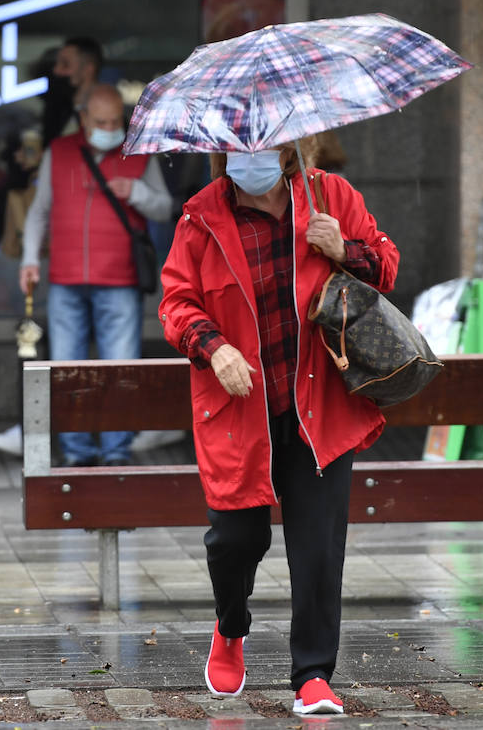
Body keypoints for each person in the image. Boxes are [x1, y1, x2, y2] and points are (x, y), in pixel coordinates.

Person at [158, 140, 399, 715]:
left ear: (288, 145)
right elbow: (175, 302)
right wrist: (213, 349)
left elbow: (387, 267)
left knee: (319, 547)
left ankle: (313, 674)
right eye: (237, 146)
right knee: (237, 540)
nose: (251, 155)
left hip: (319, 408)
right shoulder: (202, 216)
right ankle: (230, 624)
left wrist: (344, 248)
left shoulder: (330, 195)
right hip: (242, 414)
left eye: (262, 143)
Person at [18, 83, 173, 465]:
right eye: (100, 121)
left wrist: (136, 191)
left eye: (115, 120)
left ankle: (116, 451)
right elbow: (39, 209)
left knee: (120, 368)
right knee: (68, 368)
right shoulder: (60, 152)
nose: (109, 127)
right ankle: (77, 452)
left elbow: (165, 206)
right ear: (84, 119)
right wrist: (29, 259)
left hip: (119, 280)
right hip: (66, 279)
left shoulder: (138, 150)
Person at [41, 37, 103, 145]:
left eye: (65, 64)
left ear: (88, 69)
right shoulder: (56, 111)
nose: (56, 71)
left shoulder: (108, 113)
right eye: (56, 64)